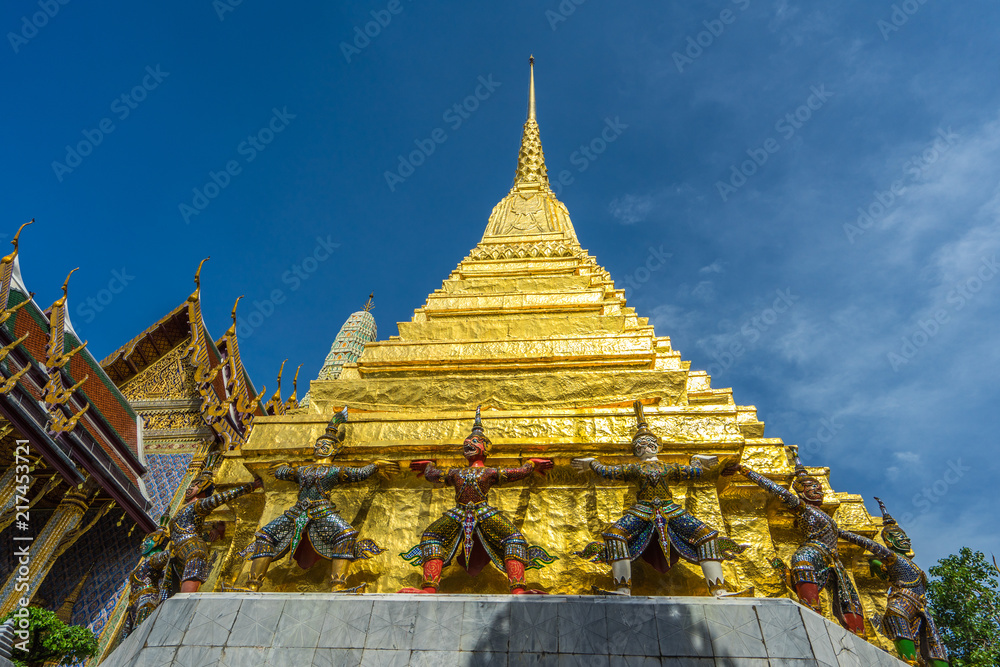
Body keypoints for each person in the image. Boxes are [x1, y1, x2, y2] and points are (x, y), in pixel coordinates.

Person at [572, 400, 745, 595]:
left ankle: (719, 591)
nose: (646, 447)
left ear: (657, 446)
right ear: (636, 451)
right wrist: (593, 463)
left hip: (670, 508)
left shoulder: (668, 467)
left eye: (650, 444)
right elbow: (608, 472)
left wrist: (697, 459)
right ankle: (622, 589)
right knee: (614, 534)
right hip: (643, 509)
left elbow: (694, 472)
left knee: (705, 536)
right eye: (640, 446)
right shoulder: (634, 468)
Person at [400, 406, 555, 594]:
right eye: (466, 443)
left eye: (473, 441)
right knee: (431, 537)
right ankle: (429, 588)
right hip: (458, 512)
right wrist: (429, 467)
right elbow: (436, 475)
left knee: (514, 539)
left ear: (485, 447)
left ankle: (518, 590)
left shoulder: (489, 472)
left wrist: (531, 464)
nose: (468, 445)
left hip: (484, 511)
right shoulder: (456, 472)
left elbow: (517, 473)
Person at [244, 407, 398, 592]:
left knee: (346, 536)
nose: (319, 447)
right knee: (265, 535)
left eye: (325, 444)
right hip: (298, 510)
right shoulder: (303, 470)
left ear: (335, 448)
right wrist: (280, 468)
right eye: (318, 444)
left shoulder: (334, 470)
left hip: (323, 510)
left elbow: (358, 474)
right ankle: (252, 584)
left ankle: (338, 586)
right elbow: (287, 473)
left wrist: (376, 465)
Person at [721, 449, 865, 635]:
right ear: (801, 491)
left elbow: (849, 536)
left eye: (819, 487)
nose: (818, 490)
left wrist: (880, 552)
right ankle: (812, 614)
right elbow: (777, 490)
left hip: (832, 558)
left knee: (849, 596)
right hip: (810, 553)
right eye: (812, 487)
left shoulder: (829, 520)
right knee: (805, 574)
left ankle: (857, 632)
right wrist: (744, 470)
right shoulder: (803, 508)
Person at [839, 499, 949, 666]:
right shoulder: (893, 558)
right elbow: (868, 544)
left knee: (935, 647)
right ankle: (908, 661)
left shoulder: (910, 563)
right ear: (889, 542)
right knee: (903, 638)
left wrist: (877, 566)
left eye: (905, 537)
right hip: (901, 605)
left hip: (920, 607)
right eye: (900, 537)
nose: (906, 540)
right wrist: (840, 532)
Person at [169, 467, 262, 592]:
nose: (189, 488)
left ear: (202, 488)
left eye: (195, 486)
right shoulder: (183, 509)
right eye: (191, 485)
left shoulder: (199, 505)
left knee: (196, 558)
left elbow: (222, 497)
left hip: (191, 546)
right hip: (176, 549)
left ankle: (186, 599)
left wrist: (251, 486)